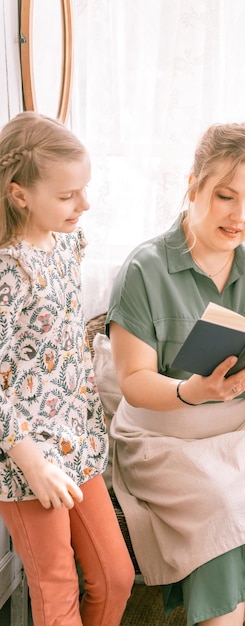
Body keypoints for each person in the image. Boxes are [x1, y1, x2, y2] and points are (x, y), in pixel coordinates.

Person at [106, 121, 245, 626]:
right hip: (166, 434)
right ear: (193, 184)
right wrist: (191, 390)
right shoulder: (145, 268)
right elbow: (135, 382)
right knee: (226, 507)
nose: (240, 216)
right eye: (226, 196)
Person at [0, 112, 134, 626]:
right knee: (58, 593)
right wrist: (31, 460)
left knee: (115, 576)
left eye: (85, 189)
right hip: (27, 454)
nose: (84, 204)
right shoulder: (11, 272)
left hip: (74, 441)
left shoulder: (68, 245)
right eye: (67, 195)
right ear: (20, 195)